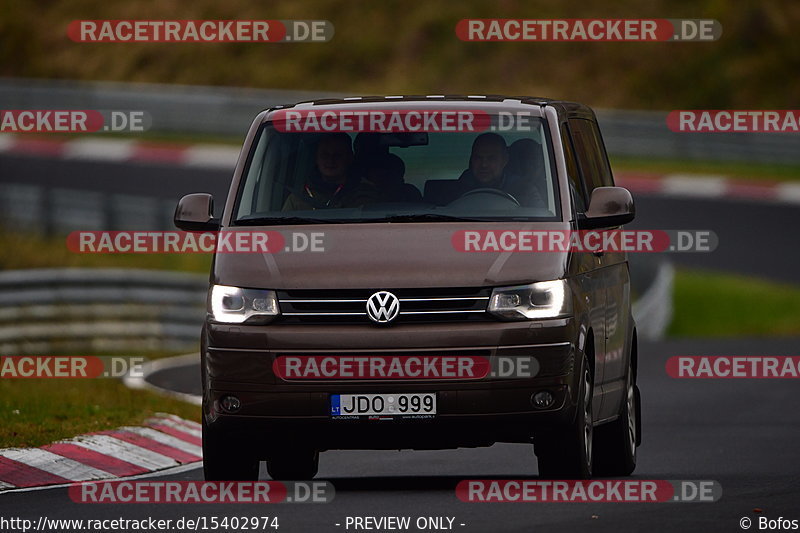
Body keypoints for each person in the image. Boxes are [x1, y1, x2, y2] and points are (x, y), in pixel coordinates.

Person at [448, 132, 545, 207]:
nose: (484, 164)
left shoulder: (524, 189)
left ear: (504, 161)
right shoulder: (458, 188)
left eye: (491, 158)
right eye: (478, 158)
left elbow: (542, 223)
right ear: (471, 160)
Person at [282, 133, 375, 210]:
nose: (331, 160)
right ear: (316, 158)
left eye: (337, 155)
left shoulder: (367, 194)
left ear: (349, 158)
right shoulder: (298, 198)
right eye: (325, 155)